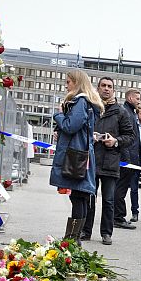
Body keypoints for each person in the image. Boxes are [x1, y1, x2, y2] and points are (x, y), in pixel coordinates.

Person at [49, 69, 105, 243]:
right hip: (80, 154)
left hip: (77, 155)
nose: (66, 86)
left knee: (78, 198)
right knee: (79, 197)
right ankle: (73, 238)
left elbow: (71, 126)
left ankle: (73, 239)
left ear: (77, 83)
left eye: (68, 82)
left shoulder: (80, 101)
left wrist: (58, 115)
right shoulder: (84, 102)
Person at [80, 77, 135, 245]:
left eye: (109, 86)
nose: (106, 89)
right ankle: (85, 231)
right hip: (91, 160)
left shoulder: (120, 111)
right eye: (103, 86)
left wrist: (115, 141)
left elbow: (131, 136)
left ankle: (106, 233)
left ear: (114, 90)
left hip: (110, 161)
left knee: (109, 200)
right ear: (98, 88)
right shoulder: (91, 107)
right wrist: (91, 137)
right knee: (89, 198)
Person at [114, 88, 141, 229]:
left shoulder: (131, 112)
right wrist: (127, 160)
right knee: (121, 188)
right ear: (130, 98)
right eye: (137, 98)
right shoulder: (126, 112)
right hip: (127, 159)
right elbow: (127, 137)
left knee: (122, 188)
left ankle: (118, 216)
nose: (139, 101)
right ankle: (118, 217)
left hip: (130, 158)